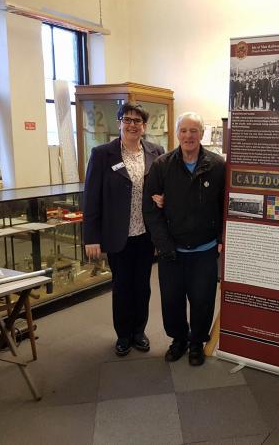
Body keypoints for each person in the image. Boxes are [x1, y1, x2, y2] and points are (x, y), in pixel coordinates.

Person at [144, 112, 225, 366]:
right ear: (177, 134)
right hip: (172, 251)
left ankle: (197, 342)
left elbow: (225, 205)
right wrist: (163, 245)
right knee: (172, 300)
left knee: (202, 299)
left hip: (205, 250)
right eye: (184, 131)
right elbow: (150, 209)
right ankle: (178, 339)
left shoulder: (217, 165)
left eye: (194, 131)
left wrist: (222, 237)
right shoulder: (161, 165)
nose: (188, 136)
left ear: (202, 134)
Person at [83, 102, 164, 357]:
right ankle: (123, 335)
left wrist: (163, 198)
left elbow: (163, 187)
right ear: (119, 123)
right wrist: (91, 237)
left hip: (145, 234)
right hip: (117, 234)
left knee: (142, 285)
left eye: (137, 121)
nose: (132, 125)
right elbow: (91, 198)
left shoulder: (156, 151)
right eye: (127, 119)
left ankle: (139, 331)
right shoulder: (102, 154)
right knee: (121, 286)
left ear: (144, 126)